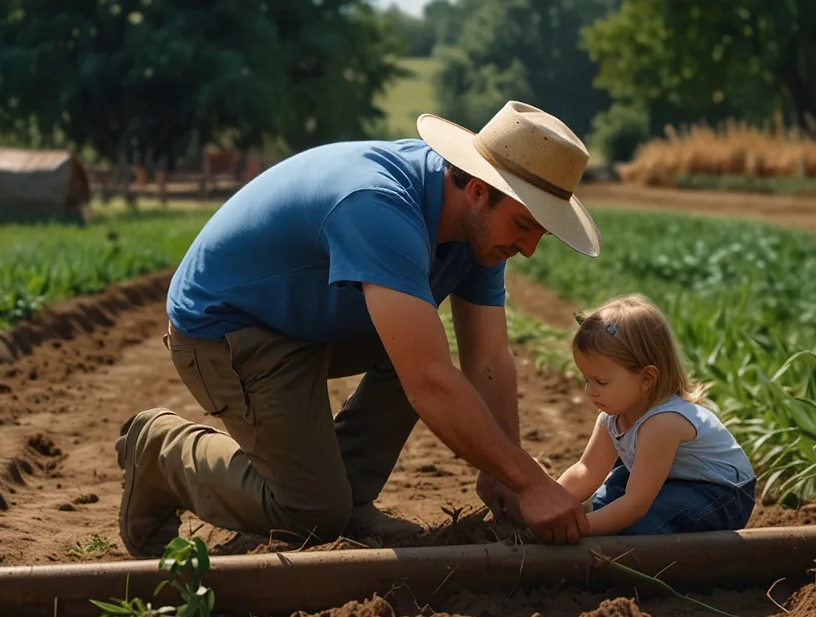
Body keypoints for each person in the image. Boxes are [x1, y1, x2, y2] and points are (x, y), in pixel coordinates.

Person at [115, 101, 602, 556]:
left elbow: (489, 359)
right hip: (230, 327)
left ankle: (347, 501)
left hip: (312, 316)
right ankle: (161, 451)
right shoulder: (380, 206)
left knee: (414, 342)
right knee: (307, 513)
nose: (529, 247)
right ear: (477, 189)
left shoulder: (481, 230)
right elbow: (429, 383)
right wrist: (531, 482)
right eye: (523, 225)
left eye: (540, 231)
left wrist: (505, 475)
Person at [554, 294, 756, 536]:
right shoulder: (612, 417)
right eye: (586, 379)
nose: (590, 391)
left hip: (721, 493)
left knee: (639, 523)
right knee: (607, 496)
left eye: (601, 381)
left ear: (647, 378)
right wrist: (550, 503)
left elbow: (636, 504)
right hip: (669, 480)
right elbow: (586, 470)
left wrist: (582, 529)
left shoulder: (663, 422)